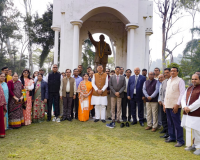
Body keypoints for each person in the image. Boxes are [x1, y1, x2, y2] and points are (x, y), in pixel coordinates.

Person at [164, 67, 185, 147]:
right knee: (170, 122)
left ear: (177, 72)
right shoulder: (169, 80)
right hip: (168, 105)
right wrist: (165, 104)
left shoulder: (180, 81)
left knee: (177, 123)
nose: (172, 72)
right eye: (171, 71)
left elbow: (182, 94)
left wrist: (177, 104)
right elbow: (167, 93)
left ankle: (180, 140)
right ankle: (172, 137)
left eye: (174, 71)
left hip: (175, 106)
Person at [181, 74, 200, 155]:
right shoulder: (189, 88)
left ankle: (199, 147)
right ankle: (192, 145)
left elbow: (199, 101)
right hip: (187, 113)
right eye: (192, 79)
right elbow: (183, 98)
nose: (193, 80)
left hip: (196, 113)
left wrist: (190, 108)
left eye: (195, 79)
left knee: (197, 130)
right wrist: (184, 107)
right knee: (188, 128)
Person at [159, 68, 171, 139]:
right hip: (163, 103)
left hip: (169, 104)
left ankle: (170, 133)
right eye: (165, 73)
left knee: (168, 119)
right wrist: (163, 102)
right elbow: (161, 93)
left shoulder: (173, 81)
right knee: (163, 118)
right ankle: (166, 131)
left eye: (167, 72)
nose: (166, 74)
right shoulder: (164, 82)